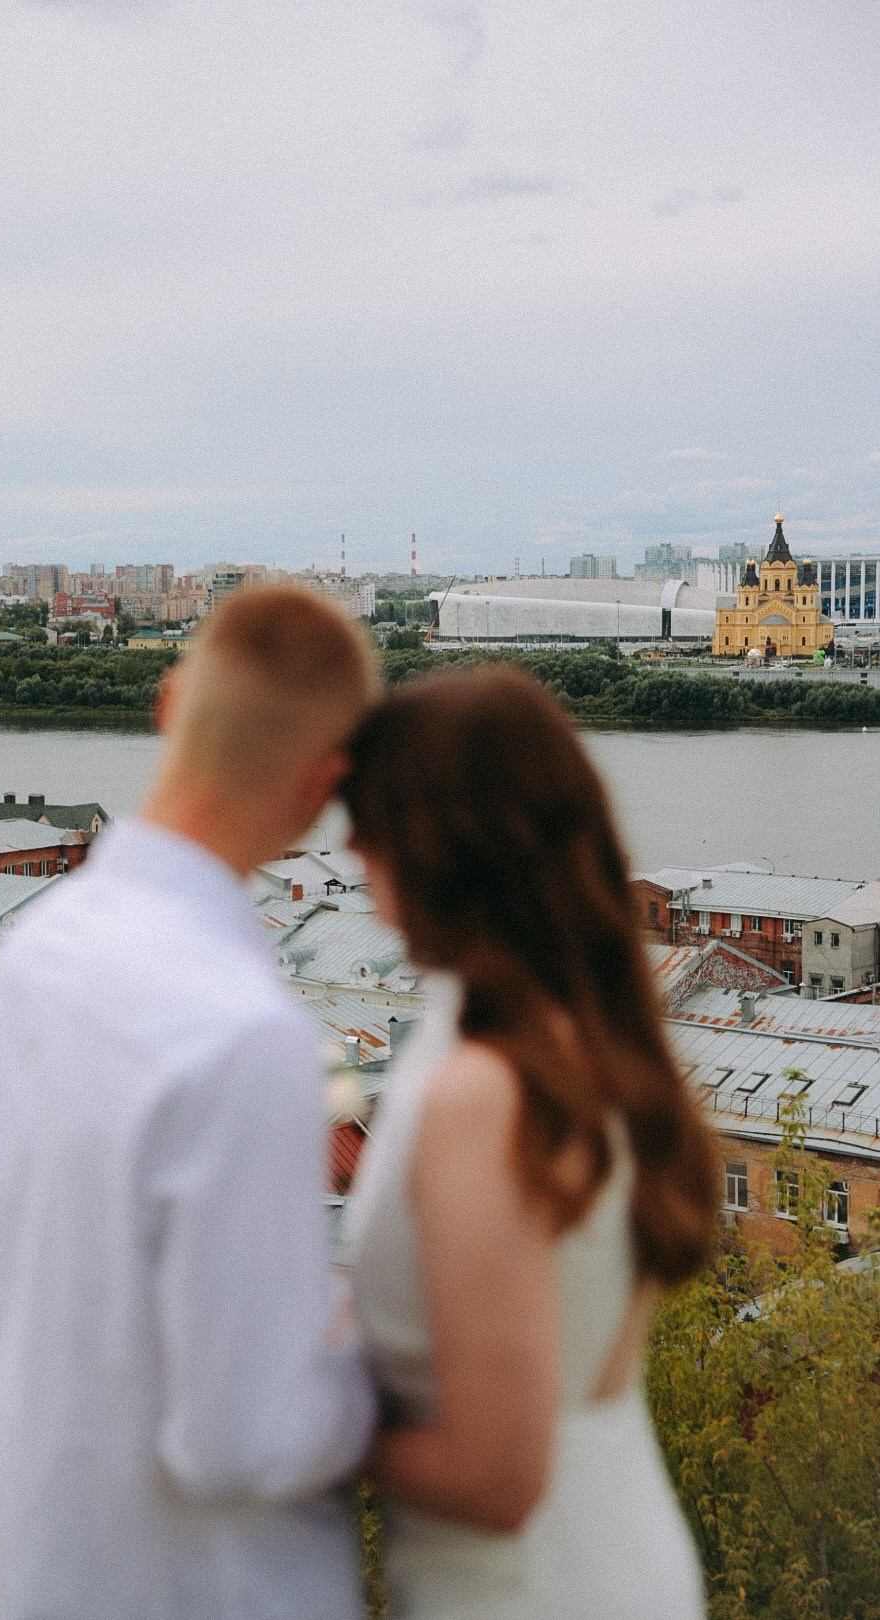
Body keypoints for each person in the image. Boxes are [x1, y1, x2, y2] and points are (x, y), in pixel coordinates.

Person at [0, 586, 380, 1620]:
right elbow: (244, 1441)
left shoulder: (32, 954)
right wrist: (368, 1348)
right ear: (323, 789)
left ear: (166, 705)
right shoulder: (244, 1037)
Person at [341, 667, 719, 1620]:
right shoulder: (592, 1041)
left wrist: (312, 1422)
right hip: (619, 1547)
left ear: (439, 844)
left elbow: (497, 1476)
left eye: (371, 820)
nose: (349, 850)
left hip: (529, 1588)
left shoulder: (489, 1093)